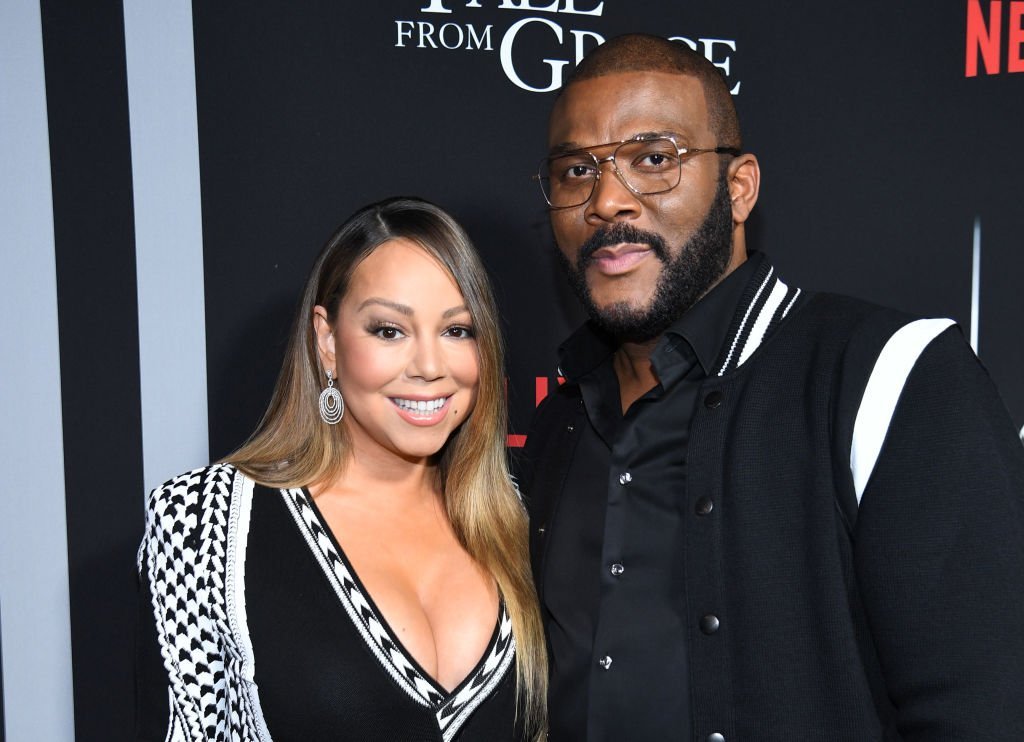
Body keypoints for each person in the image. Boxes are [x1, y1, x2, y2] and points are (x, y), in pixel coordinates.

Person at [519, 33, 1024, 741]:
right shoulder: (558, 423)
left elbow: (985, 710)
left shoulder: (892, 378)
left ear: (739, 186)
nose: (608, 201)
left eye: (654, 161)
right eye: (576, 171)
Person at [137, 197, 546, 741]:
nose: (429, 367)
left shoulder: (519, 513)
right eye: (389, 330)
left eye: (457, 330)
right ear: (327, 341)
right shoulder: (203, 523)